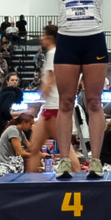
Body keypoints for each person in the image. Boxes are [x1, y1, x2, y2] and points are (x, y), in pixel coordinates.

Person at [46, 0, 110, 180]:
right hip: (68, 42)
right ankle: (62, 160)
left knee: (94, 102)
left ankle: (95, 160)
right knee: (66, 103)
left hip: (94, 39)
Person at [26, 25, 79, 174]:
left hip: (55, 108)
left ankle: (80, 179)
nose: (41, 38)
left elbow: (50, 80)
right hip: (52, 107)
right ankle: (31, 182)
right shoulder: (61, 53)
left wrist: (36, 103)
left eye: (43, 35)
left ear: (49, 38)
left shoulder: (53, 53)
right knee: (35, 147)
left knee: (65, 148)